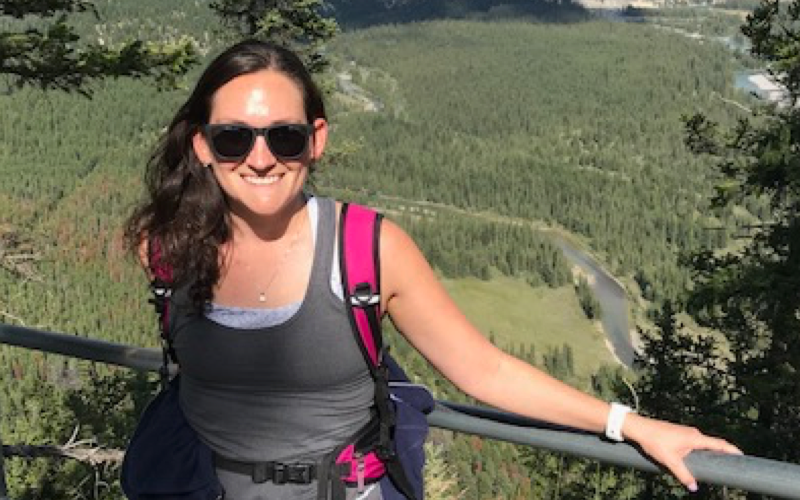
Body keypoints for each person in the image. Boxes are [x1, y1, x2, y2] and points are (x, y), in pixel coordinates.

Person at [125, 39, 741, 500]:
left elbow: (484, 369)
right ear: (203, 146)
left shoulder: (367, 249)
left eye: (283, 138)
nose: (260, 159)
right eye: (235, 138)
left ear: (316, 140)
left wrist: (630, 425)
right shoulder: (168, 247)